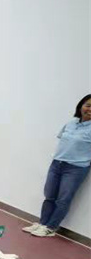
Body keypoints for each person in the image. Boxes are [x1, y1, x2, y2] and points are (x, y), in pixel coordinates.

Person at [24, 94, 91, 237]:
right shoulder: (71, 123)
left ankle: (51, 228)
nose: (89, 109)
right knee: (49, 195)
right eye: (88, 105)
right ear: (81, 106)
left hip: (76, 168)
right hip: (57, 163)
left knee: (63, 199)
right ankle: (42, 223)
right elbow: (63, 140)